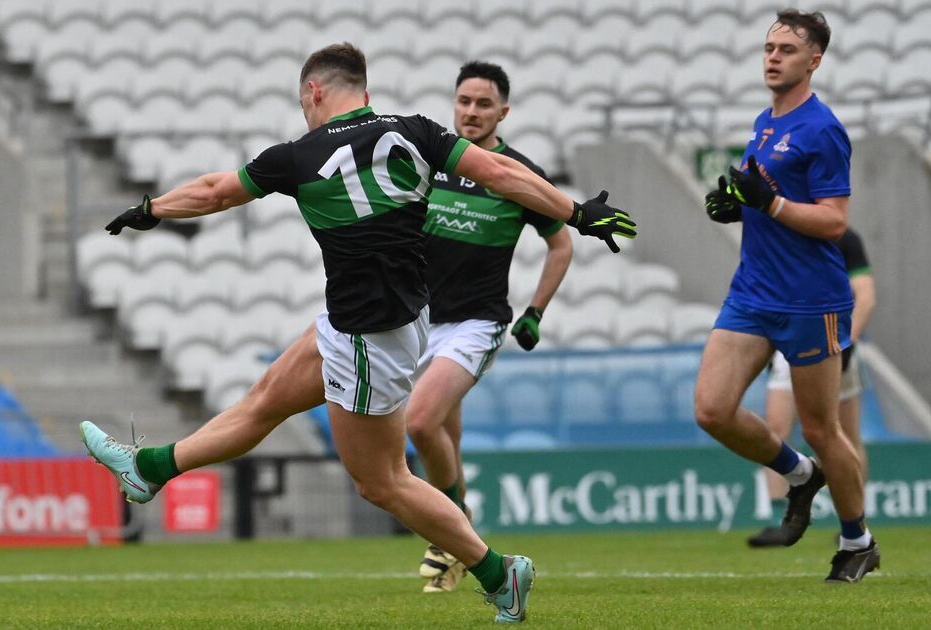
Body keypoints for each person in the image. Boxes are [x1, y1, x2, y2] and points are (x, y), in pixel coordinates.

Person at [81, 42, 637, 623]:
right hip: (375, 320)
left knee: (383, 483)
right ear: (364, 92)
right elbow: (500, 172)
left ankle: (500, 574)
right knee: (266, 400)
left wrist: (151, 209)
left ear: (315, 92)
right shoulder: (417, 129)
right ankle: (147, 470)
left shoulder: (298, 156)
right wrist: (575, 211)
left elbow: (217, 191)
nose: (304, 111)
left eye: (303, 101)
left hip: (370, 335)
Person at [697, 10, 879, 582]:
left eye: (787, 50)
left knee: (824, 428)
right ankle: (800, 474)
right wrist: (735, 202)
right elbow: (762, 193)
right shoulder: (765, 121)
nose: (773, 56)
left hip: (811, 300)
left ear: (814, 61)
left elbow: (833, 222)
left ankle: (858, 542)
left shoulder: (823, 129)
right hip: (753, 290)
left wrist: (769, 204)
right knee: (711, 409)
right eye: (769, 47)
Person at [408, 61, 573, 594]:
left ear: (503, 111)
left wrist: (535, 312)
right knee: (442, 432)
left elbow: (561, 242)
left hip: (476, 323)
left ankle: (450, 532)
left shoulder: (516, 173)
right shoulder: (427, 163)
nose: (471, 112)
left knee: (420, 423)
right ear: (453, 104)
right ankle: (459, 532)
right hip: (416, 321)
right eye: (464, 101)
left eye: (483, 104)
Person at [748, 226, 876, 546]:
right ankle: (780, 516)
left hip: (836, 343)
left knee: (844, 435)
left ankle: (854, 520)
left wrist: (847, 342)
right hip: (789, 344)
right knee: (776, 428)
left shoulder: (843, 238)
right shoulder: (777, 237)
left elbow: (866, 296)